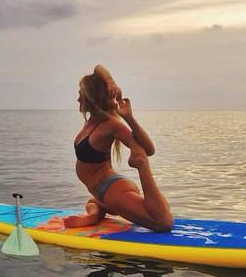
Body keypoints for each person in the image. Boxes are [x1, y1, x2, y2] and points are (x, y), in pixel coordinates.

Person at [68, 64, 174, 232]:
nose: (78, 99)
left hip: (112, 190)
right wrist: (110, 82)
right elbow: (97, 68)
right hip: (100, 194)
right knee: (92, 202)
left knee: (163, 222)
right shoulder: (91, 122)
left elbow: (149, 149)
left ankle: (142, 168)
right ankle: (94, 215)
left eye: (80, 95)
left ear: (91, 97)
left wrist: (129, 118)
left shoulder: (110, 124)